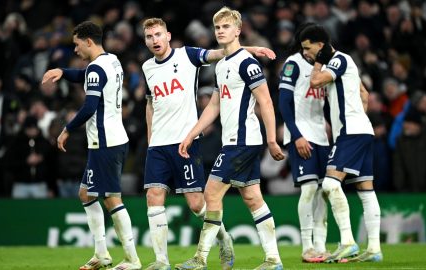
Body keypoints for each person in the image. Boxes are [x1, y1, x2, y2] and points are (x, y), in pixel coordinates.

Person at [141, 17, 276, 270]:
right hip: (158, 143)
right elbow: (150, 103)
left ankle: (223, 239)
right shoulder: (148, 67)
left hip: (186, 141)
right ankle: (162, 260)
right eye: (149, 37)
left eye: (158, 34)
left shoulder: (188, 56)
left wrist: (251, 49)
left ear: (168, 36)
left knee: (198, 203)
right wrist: (150, 137)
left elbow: (222, 51)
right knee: (153, 195)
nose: (154, 40)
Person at [175, 7, 285, 270]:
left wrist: (272, 139)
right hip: (234, 140)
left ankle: (201, 258)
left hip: (244, 140)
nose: (220, 31)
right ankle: (274, 259)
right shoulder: (222, 64)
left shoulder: (248, 63)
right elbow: (214, 106)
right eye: (217, 27)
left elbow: (266, 101)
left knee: (211, 193)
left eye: (226, 27)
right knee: (252, 198)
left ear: (238, 30)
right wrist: (192, 133)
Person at [42, 21, 141, 270]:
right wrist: (63, 72)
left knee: (111, 199)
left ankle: (132, 258)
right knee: (86, 194)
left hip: (105, 142)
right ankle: (102, 253)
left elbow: (89, 106)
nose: (75, 50)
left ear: (88, 42)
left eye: (76, 45)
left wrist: (66, 129)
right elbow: (86, 76)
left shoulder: (96, 68)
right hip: (112, 138)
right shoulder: (112, 60)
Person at [300, 24, 382, 263]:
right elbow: (364, 94)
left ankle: (347, 242)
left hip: (351, 134)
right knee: (366, 192)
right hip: (362, 131)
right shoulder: (347, 63)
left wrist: (319, 62)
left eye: (308, 48)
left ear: (320, 45)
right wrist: (360, 117)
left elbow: (315, 82)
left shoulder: (337, 60)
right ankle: (374, 249)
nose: (306, 53)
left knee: (329, 185)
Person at [278, 22, 329, 263]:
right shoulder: (293, 64)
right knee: (309, 189)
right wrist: (296, 135)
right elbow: (284, 103)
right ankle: (307, 246)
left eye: (309, 47)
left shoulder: (324, 67)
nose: (305, 51)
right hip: (302, 135)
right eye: (303, 47)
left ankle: (320, 245)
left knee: (323, 192)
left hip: (321, 136)